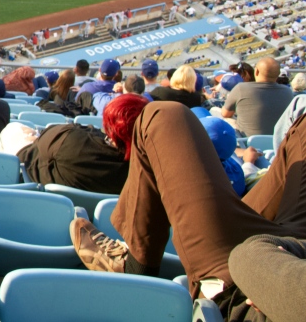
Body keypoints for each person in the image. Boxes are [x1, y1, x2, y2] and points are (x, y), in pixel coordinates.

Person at [69, 100, 306, 320]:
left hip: (250, 285)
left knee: (162, 116)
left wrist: (280, 252)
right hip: (286, 259)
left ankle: (135, 268)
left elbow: (249, 258)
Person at [11, 94, 146, 193]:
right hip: (106, 225)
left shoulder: (71, 141)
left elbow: (44, 139)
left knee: (12, 128)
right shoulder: (146, 172)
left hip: (41, 186)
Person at [222, 57, 294, 137]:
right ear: (277, 74)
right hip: (279, 143)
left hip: (248, 144)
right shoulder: (288, 92)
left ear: (256, 72)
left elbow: (225, 114)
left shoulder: (240, 89)